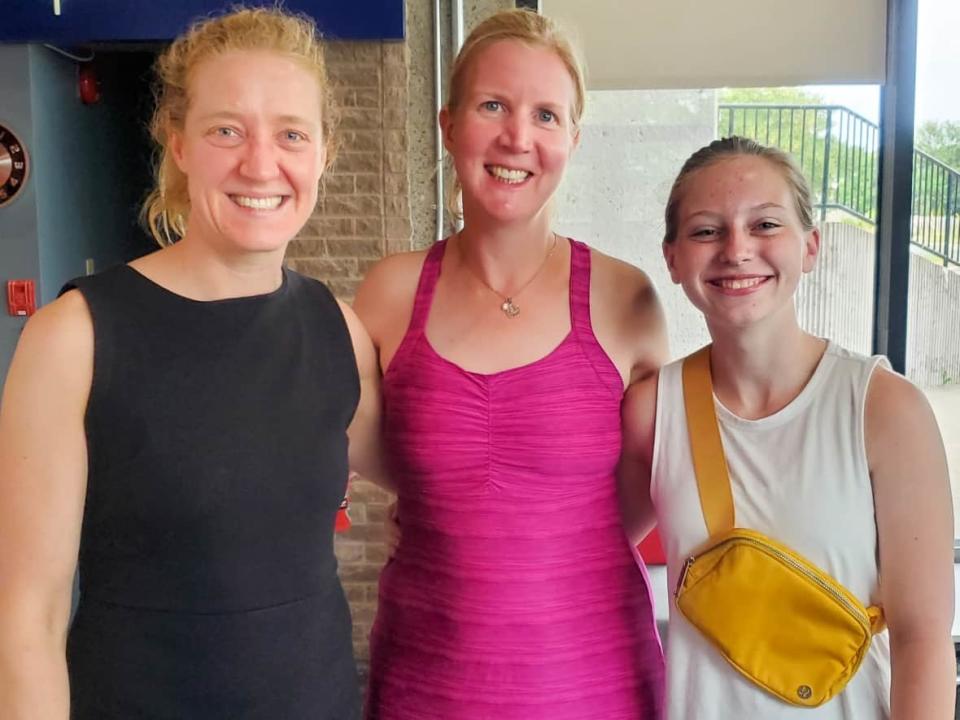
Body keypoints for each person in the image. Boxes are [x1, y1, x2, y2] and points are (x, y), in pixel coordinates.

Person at [0, 8, 383, 719]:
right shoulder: (74, 339)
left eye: (292, 135)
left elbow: (442, 478)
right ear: (177, 142)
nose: (260, 164)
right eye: (226, 130)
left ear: (325, 153)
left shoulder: (340, 331)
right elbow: (27, 621)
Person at [353, 9, 667, 719]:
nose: (517, 138)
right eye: (492, 105)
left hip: (595, 681)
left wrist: (538, 546)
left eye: (547, 115)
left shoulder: (627, 299)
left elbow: (645, 484)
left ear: (573, 140)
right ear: (449, 124)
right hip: (426, 683)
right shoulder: (390, 292)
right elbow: (371, 452)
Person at [619, 136, 956, 719]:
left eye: (765, 224)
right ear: (672, 259)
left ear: (810, 246)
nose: (737, 250)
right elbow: (578, 553)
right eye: (706, 231)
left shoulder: (883, 409)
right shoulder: (653, 410)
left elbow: (922, 639)